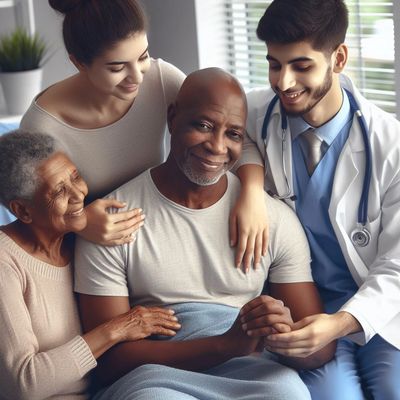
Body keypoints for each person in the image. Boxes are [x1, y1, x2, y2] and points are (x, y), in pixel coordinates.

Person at [74, 68, 335, 400]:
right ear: (173, 118)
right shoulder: (112, 222)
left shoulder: (273, 219)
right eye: (203, 126)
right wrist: (224, 345)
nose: (217, 147)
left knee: (290, 395)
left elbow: (320, 351)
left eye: (234, 134)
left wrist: (281, 333)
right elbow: (108, 360)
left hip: (252, 369)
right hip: (154, 375)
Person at [19, 0, 267, 270]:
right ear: (79, 63)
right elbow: (31, 213)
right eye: (117, 67)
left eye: (143, 57)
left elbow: (237, 136)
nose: (136, 76)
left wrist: (252, 196)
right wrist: (79, 223)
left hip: (157, 232)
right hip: (94, 253)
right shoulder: (42, 126)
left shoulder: (160, 79)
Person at [234, 1, 400, 398]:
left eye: (301, 66)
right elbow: (232, 140)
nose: (284, 81)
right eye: (275, 64)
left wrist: (341, 322)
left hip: (379, 305)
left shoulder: (390, 145)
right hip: (300, 304)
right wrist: (252, 190)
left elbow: (397, 265)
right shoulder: (257, 113)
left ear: (338, 58)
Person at [0, 130, 181, 400]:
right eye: (59, 191)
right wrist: (116, 329)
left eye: (75, 177)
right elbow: (23, 384)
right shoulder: (5, 262)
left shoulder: (80, 241)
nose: (78, 194)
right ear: (23, 210)